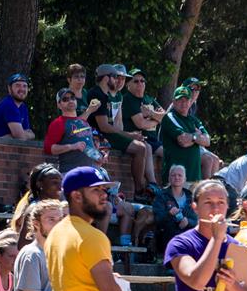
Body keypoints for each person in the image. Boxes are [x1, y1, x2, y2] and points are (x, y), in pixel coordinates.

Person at [87, 65, 152, 196]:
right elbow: (104, 126)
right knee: (140, 148)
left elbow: (117, 122)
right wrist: (129, 135)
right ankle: (139, 190)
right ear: (106, 78)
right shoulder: (97, 94)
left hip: (109, 134)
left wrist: (129, 136)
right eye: (115, 77)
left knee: (144, 146)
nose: (118, 80)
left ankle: (147, 187)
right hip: (99, 136)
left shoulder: (110, 95)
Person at [159, 86, 212, 195]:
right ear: (174, 101)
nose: (184, 103)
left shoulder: (194, 120)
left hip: (194, 179)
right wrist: (196, 136)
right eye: (180, 100)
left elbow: (207, 141)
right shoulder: (169, 117)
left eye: (186, 100)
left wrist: (192, 138)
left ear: (191, 101)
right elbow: (182, 141)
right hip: (175, 179)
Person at [43, 89, 106, 173]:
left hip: (90, 172)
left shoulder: (84, 122)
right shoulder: (58, 123)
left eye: (72, 98)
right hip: (70, 173)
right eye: (65, 99)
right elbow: (48, 149)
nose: (70, 101)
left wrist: (99, 156)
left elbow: (88, 148)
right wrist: (72, 146)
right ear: (59, 105)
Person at [151, 164, 196, 250]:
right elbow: (158, 219)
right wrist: (169, 214)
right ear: (169, 178)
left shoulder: (191, 197)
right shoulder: (161, 196)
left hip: (188, 234)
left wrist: (188, 222)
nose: (177, 177)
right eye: (173, 175)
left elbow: (196, 219)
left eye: (180, 175)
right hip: (167, 236)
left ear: (185, 179)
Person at [0, 72, 35, 140]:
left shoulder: (23, 107)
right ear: (9, 89)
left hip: (1, 147)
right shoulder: (8, 104)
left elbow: (27, 134)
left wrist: (11, 136)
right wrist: (23, 135)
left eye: (25, 86)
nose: (22, 89)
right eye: (17, 85)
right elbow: (20, 137)